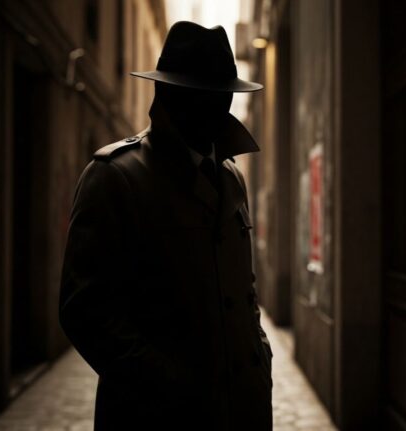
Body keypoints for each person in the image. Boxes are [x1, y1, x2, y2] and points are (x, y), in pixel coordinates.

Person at [59, 21, 272, 430]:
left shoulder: (231, 177)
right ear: (169, 95)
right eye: (203, 96)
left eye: (224, 94)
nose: (218, 108)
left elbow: (243, 292)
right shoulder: (115, 177)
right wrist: (166, 383)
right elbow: (83, 309)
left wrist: (259, 361)